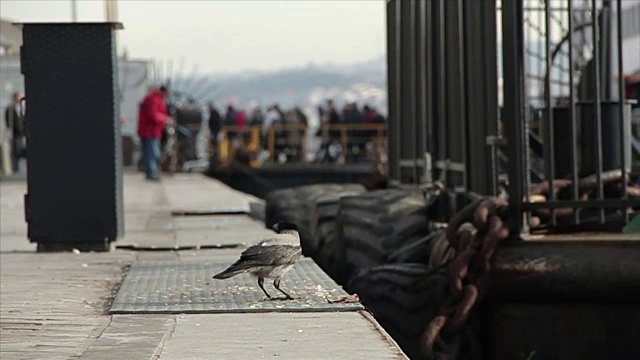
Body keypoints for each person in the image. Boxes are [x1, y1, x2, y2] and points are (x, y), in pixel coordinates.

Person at [137, 86, 172, 180]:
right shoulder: (154, 100)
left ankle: (151, 172)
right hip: (151, 131)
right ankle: (151, 173)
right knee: (152, 153)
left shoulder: (152, 99)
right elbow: (153, 115)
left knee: (151, 153)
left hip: (151, 131)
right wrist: (166, 119)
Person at [4, 92, 26, 172]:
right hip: (15, 135)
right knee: (16, 152)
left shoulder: (22, 108)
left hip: (23, 134)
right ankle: (16, 170)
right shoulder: (10, 109)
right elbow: (9, 123)